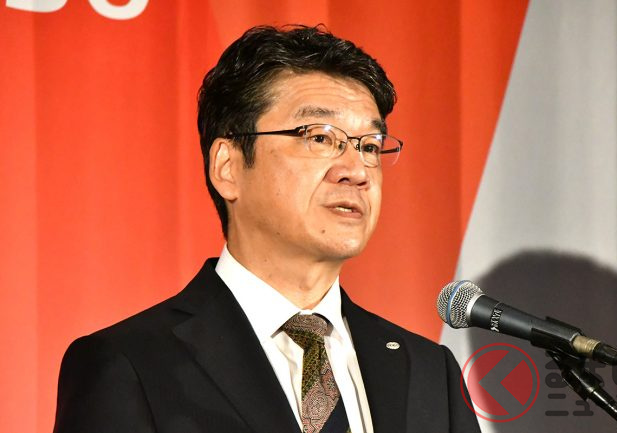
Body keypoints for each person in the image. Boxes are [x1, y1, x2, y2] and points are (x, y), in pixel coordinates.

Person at [53, 25, 481, 433]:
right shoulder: (132, 363)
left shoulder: (429, 372)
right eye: (319, 137)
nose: (357, 171)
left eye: (369, 146)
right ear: (228, 166)